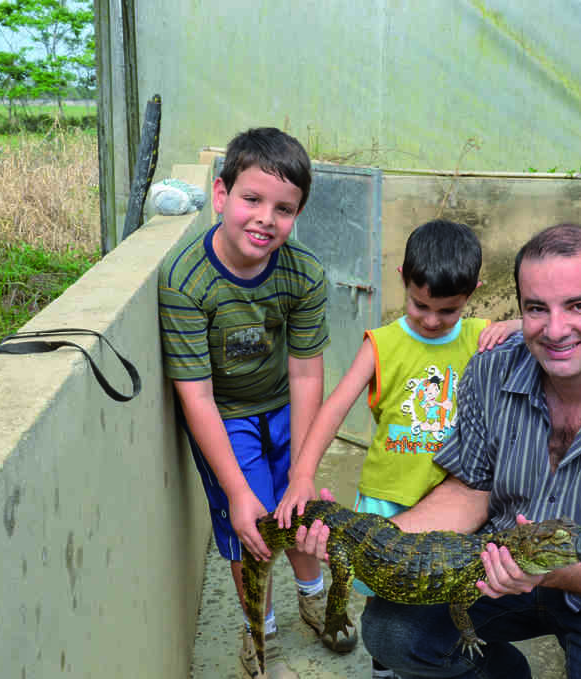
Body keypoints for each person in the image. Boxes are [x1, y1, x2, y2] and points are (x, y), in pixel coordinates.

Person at [294, 223, 581, 679]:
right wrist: (371, 539)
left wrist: (547, 572)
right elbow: (468, 490)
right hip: (493, 571)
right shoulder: (488, 372)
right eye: (537, 308)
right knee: (392, 632)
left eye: (579, 305)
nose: (556, 330)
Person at [272, 219, 521, 679]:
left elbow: (542, 336)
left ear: (474, 292)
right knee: (383, 597)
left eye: (447, 310)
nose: (430, 319)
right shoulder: (382, 343)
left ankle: (425, 660)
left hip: (455, 504)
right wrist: (301, 474)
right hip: (387, 499)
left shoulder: (483, 338)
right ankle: (383, 664)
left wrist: (518, 323)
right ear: (403, 276)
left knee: (444, 595)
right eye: (419, 303)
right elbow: (333, 410)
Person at [158, 127, 356, 679]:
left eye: (284, 208)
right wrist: (239, 491)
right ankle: (259, 630)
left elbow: (305, 371)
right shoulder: (185, 280)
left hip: (286, 408)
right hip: (225, 417)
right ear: (221, 195)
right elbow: (194, 394)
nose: (266, 218)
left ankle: (314, 599)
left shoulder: (304, 273)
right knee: (252, 529)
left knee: (300, 508)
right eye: (252, 199)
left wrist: (304, 466)